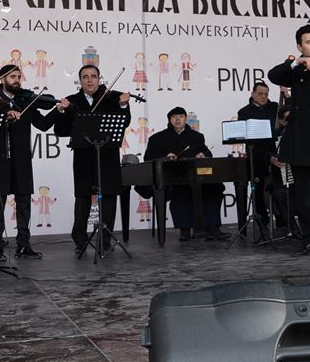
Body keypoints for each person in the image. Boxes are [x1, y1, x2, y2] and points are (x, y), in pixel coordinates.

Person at [0, 64, 67, 260]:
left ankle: (23, 245)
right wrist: (3, 115)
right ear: (2, 79)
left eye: (19, 76)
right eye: (12, 77)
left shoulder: (25, 100)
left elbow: (43, 125)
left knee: (24, 203)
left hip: (22, 159)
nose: (17, 80)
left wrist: (58, 109)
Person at [267, 23, 310, 255]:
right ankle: (309, 239)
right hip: (301, 141)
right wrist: (296, 62)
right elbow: (274, 75)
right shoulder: (295, 69)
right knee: (304, 196)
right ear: (300, 47)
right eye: (309, 42)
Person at [54, 65, 131, 253]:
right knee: (82, 198)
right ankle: (80, 240)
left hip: (108, 155)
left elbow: (124, 122)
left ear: (99, 79)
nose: (90, 80)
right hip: (83, 156)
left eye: (93, 76)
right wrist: (62, 112)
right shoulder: (72, 101)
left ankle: (105, 240)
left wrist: (123, 106)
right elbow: (60, 130)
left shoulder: (111, 99)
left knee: (109, 196)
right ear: (80, 80)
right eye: (85, 77)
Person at [143, 106, 228, 241]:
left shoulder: (197, 136)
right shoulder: (157, 138)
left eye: (181, 116)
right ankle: (185, 229)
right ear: (169, 120)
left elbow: (208, 153)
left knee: (214, 187)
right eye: (174, 117)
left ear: (186, 119)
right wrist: (165, 156)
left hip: (197, 176)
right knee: (181, 189)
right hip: (171, 177)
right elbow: (148, 157)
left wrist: (203, 154)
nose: (178, 119)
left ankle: (212, 227)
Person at [236, 82, 280, 233]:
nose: (263, 97)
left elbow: (287, 114)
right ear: (252, 94)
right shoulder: (244, 112)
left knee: (279, 188)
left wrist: (286, 96)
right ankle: (262, 222)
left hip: (276, 153)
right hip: (257, 157)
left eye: (266, 94)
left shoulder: (275, 107)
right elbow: (246, 138)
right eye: (260, 94)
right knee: (258, 191)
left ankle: (283, 221)